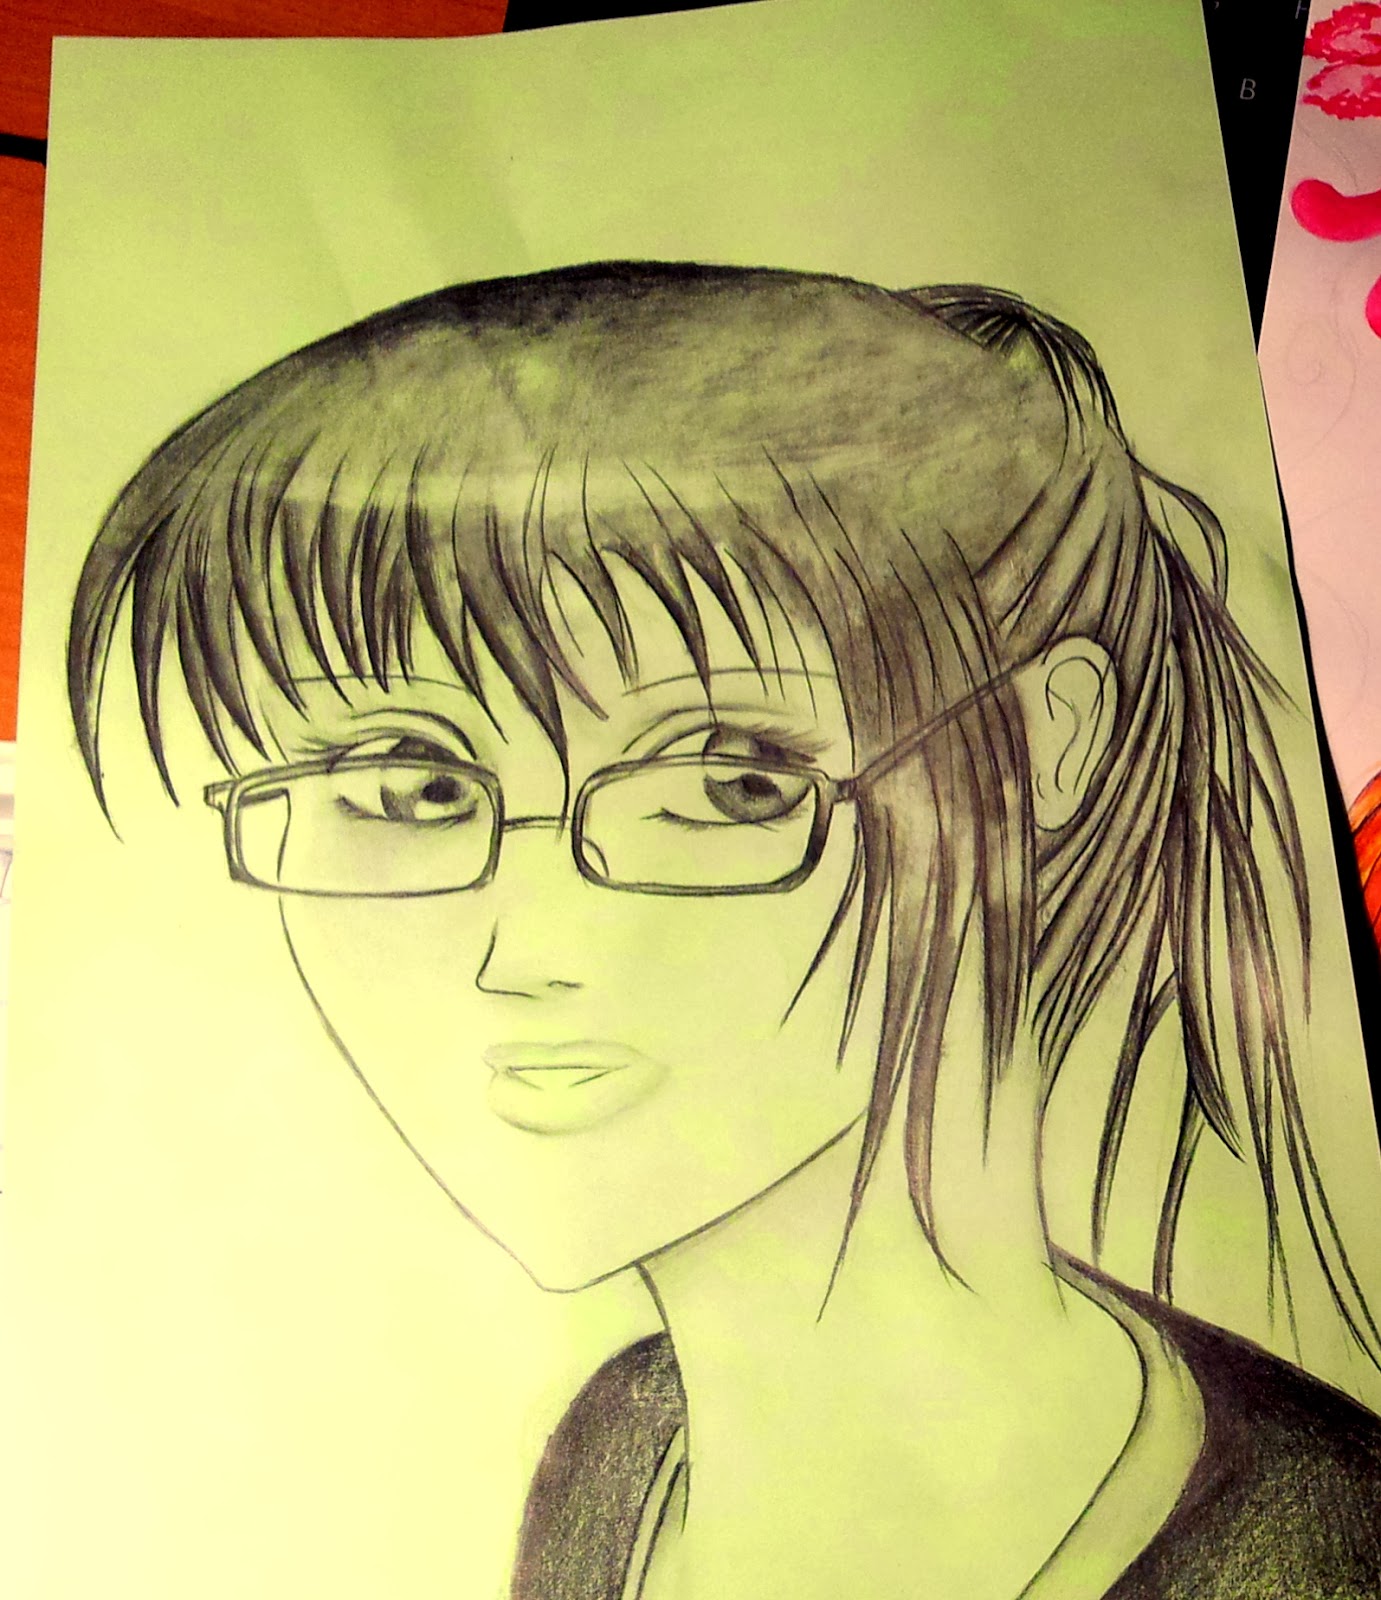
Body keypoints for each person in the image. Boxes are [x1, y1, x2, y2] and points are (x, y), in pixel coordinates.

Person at [68, 263, 1381, 1598]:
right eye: (407, 789)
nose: (526, 954)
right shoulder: (622, 1451)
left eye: (729, 781)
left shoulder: (1319, 1550)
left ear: (1050, 740)